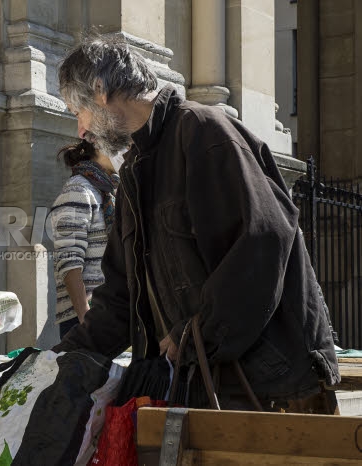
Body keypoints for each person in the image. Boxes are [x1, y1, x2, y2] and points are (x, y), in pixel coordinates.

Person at [52, 33, 340, 413]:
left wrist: (199, 330)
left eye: (78, 111)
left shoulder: (204, 132)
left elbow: (264, 241)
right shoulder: (137, 170)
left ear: (101, 91)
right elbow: (121, 299)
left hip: (272, 386)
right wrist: (55, 360)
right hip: (210, 385)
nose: (81, 131)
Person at [50, 140, 120, 338]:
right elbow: (69, 262)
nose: (127, 150)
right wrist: (85, 320)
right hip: (85, 317)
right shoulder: (78, 190)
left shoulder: (110, 189)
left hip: (112, 312)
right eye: (121, 143)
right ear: (99, 145)